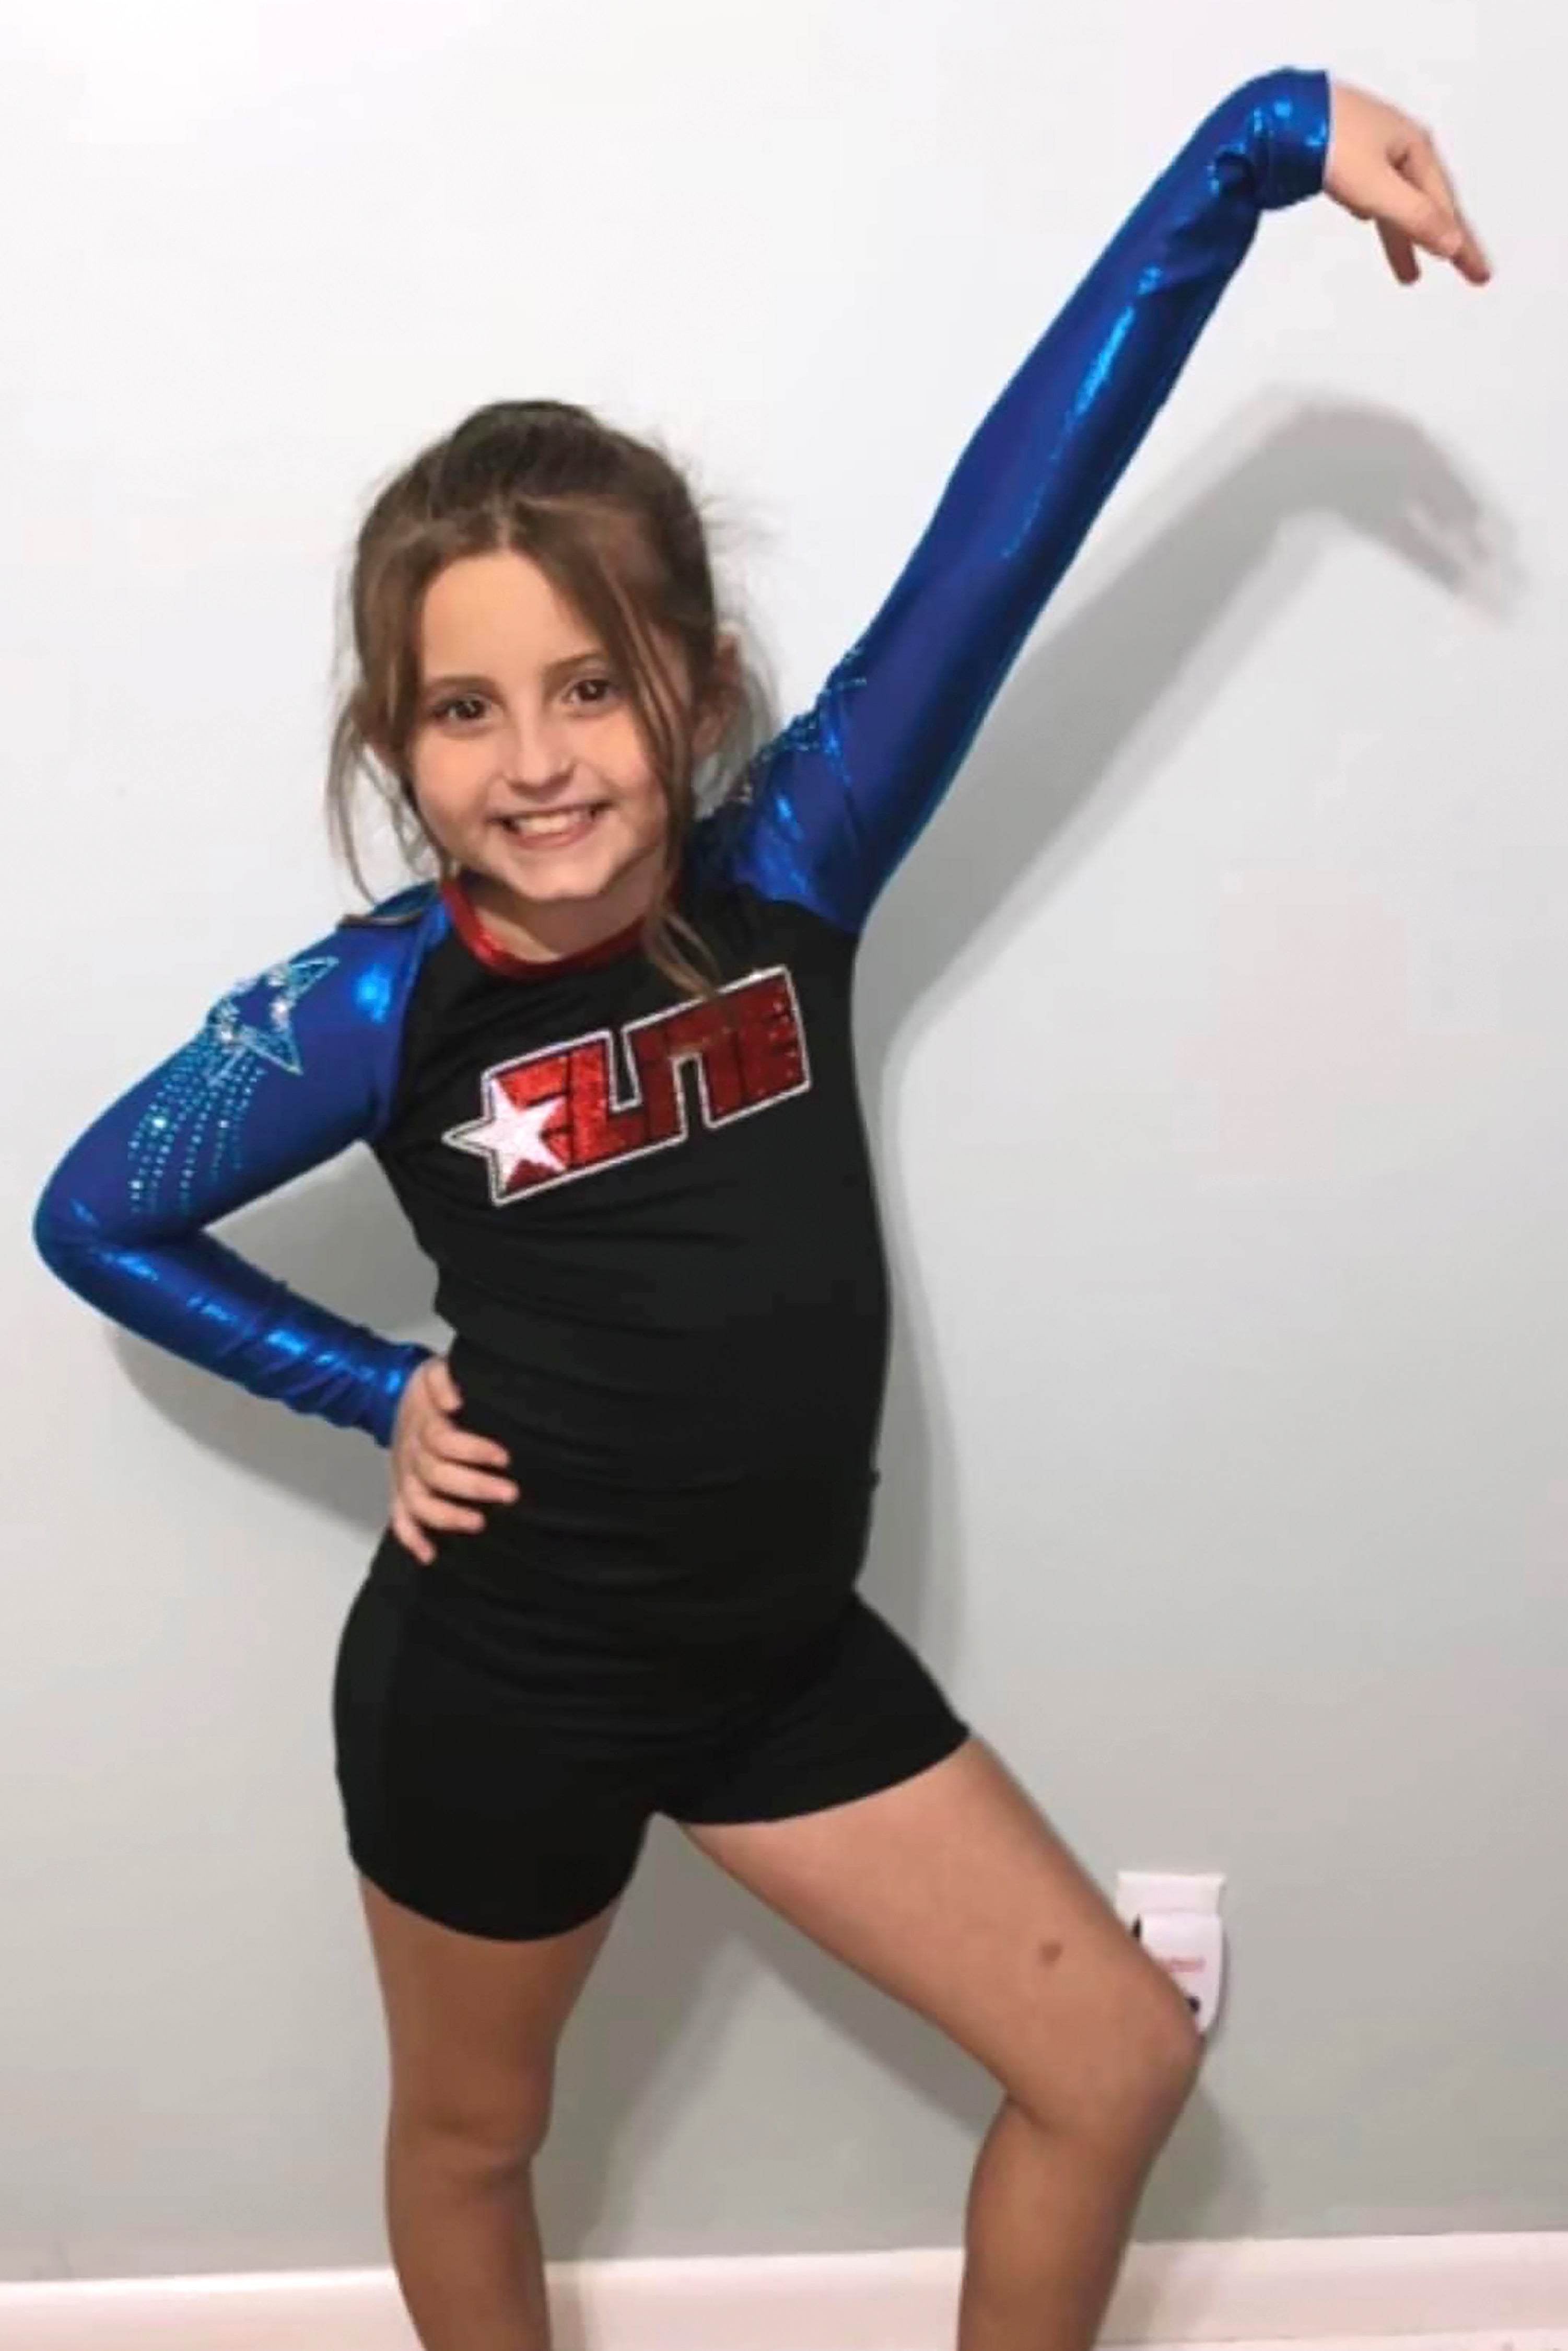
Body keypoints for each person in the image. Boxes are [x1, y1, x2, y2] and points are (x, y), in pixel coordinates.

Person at [33, 65, 1488, 2351]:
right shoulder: (373, 1004)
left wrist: (1259, 146)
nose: (536, 761)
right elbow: (94, 1211)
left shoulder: (792, 870)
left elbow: (1006, 531)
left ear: (693, 688)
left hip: (777, 1657)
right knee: (472, 2145)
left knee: (1106, 2065)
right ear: (394, 744)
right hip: (502, 1678)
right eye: (464, 711)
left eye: (591, 686)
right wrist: (369, 1387)